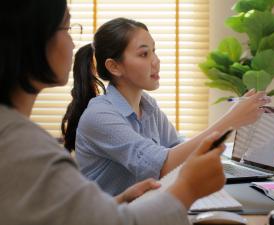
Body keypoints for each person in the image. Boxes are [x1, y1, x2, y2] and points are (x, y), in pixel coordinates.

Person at [0, 1, 226, 224]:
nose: (72, 42)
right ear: (33, 38)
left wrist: (120, 200)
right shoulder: (21, 145)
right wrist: (188, 188)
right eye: (67, 28)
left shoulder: (16, 134)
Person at [61, 17, 270, 195]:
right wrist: (230, 121)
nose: (156, 61)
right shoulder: (100, 115)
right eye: (144, 54)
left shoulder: (147, 105)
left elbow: (177, 150)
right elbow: (162, 165)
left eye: (154, 51)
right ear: (114, 66)